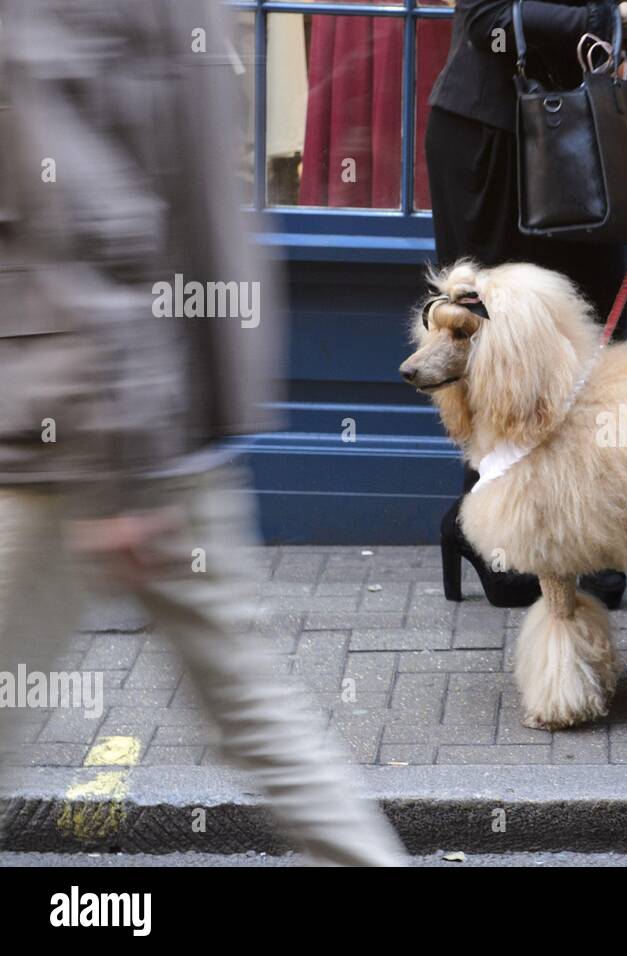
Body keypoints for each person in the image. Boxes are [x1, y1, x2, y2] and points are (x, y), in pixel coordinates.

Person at [0, 0, 405, 866]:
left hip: (73, 432)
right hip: (170, 405)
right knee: (259, 711)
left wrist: (119, 469)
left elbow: (92, 222)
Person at [424, 0, 627, 609]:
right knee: (493, 337)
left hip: (586, 130)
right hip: (491, 138)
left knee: (586, 336)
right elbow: (487, 19)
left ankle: (578, 530)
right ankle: (485, 524)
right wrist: (602, 19)